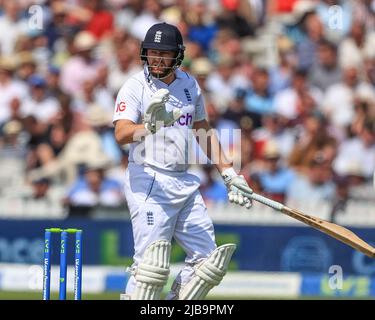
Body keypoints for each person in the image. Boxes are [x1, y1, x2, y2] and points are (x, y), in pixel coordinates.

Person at [113, 22, 254, 300]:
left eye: (163, 53)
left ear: (177, 56)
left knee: (207, 264)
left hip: (184, 181)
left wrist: (228, 173)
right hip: (149, 181)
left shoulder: (190, 84)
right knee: (150, 268)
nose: (157, 59)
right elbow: (121, 133)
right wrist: (148, 127)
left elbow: (202, 129)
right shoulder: (134, 86)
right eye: (152, 52)